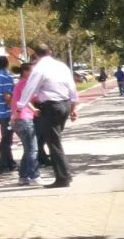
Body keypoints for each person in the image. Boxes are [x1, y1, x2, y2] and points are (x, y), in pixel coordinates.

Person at [18, 43, 79, 188]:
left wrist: (20, 106)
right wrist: (74, 106)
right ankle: (65, 174)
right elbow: (72, 86)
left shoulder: (39, 68)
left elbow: (30, 88)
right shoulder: (61, 66)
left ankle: (63, 177)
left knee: (54, 143)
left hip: (51, 106)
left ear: (36, 55)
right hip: (64, 104)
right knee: (56, 140)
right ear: (50, 52)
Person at [10, 61, 40, 186]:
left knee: (28, 149)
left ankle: (23, 177)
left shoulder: (21, 83)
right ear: (25, 72)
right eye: (32, 71)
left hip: (20, 119)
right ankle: (34, 177)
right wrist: (34, 109)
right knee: (33, 149)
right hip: (23, 118)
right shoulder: (25, 83)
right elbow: (24, 99)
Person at [0, 54, 17, 174]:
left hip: (0, 111)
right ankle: (3, 165)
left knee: (7, 137)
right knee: (6, 139)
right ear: (7, 64)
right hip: (7, 112)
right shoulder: (7, 77)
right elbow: (7, 95)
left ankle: (10, 163)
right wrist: (13, 110)